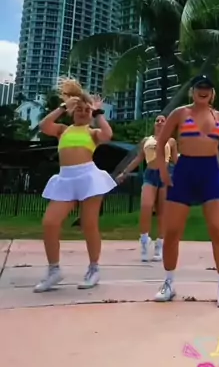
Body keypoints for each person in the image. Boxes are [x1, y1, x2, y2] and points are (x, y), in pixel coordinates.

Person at [152, 74, 219, 308]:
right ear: (192, 91)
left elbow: (215, 147)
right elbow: (161, 142)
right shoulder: (180, 113)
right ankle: (168, 282)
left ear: (213, 93)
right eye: (199, 87)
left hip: (210, 172)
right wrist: (163, 170)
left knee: (217, 229)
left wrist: (218, 174)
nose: (203, 91)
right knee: (172, 231)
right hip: (185, 170)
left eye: (207, 88)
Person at [34, 78, 115, 292]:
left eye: (87, 110)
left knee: (89, 224)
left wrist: (98, 112)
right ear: (72, 112)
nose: (83, 112)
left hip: (88, 177)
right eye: (79, 109)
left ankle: (93, 269)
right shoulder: (63, 130)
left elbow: (108, 135)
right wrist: (63, 107)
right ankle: (54, 270)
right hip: (65, 179)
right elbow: (44, 126)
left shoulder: (92, 132)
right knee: (50, 222)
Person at [116, 115, 178, 262]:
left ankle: (159, 246)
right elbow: (138, 158)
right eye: (157, 120)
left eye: (163, 121)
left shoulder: (171, 141)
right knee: (146, 206)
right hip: (150, 174)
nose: (160, 122)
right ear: (154, 124)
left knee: (162, 212)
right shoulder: (146, 140)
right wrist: (124, 173)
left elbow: (176, 160)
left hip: (164, 174)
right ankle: (144, 241)